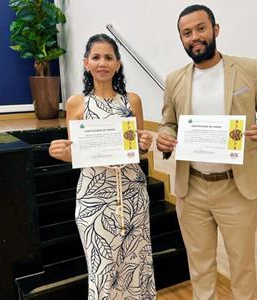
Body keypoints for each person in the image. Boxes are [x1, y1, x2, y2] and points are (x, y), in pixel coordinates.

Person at [156, 4, 257, 300]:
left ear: (215, 30)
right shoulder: (174, 79)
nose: (195, 37)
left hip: (235, 187)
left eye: (201, 28)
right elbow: (168, 123)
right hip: (192, 187)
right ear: (181, 39)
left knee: (242, 268)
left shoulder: (249, 68)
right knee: (200, 268)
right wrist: (164, 137)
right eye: (186, 33)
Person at [49, 33, 156, 299]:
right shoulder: (77, 103)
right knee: (102, 270)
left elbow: (138, 148)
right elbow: (78, 153)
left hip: (133, 195)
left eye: (109, 57)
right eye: (96, 57)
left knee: (137, 266)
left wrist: (145, 142)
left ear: (118, 64)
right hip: (95, 198)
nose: (102, 63)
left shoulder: (132, 101)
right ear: (86, 63)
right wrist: (59, 152)